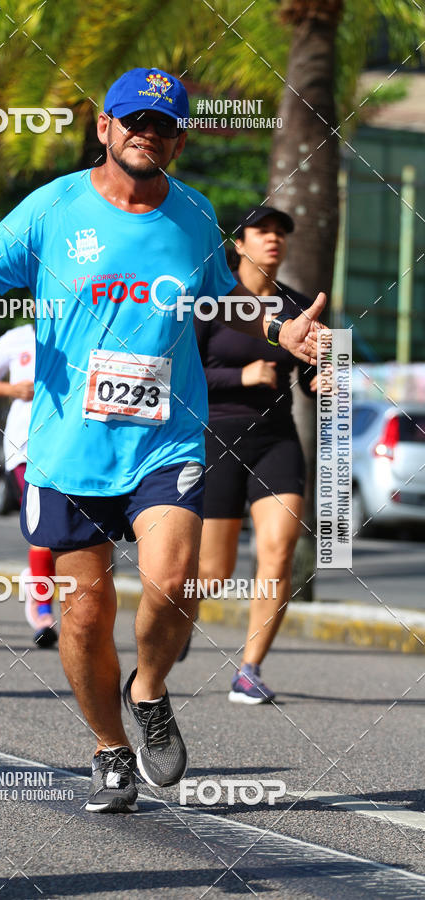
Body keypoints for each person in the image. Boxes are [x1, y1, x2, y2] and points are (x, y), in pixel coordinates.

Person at [0, 67, 326, 814]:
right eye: (133, 120)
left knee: (175, 579)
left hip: (166, 439)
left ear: (180, 138)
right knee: (84, 613)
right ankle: (109, 748)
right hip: (71, 447)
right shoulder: (51, 209)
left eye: (162, 124)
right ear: (105, 128)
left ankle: (148, 690)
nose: (146, 133)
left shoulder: (192, 213)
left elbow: (221, 301)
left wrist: (282, 329)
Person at [191, 206, 319, 703]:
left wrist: (322, 380)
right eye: (262, 231)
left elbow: (310, 380)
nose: (274, 240)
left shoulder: (299, 306)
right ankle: (175, 623)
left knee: (278, 550)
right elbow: (180, 374)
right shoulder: (211, 300)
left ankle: (249, 669)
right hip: (215, 438)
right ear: (239, 243)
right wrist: (238, 378)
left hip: (275, 439)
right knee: (214, 573)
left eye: (282, 233)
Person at [0, 325, 57, 647]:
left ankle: (35, 581)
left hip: (71, 447)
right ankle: (43, 610)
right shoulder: (14, 338)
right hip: (25, 446)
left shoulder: (82, 326)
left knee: (68, 539)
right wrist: (12, 390)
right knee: (44, 531)